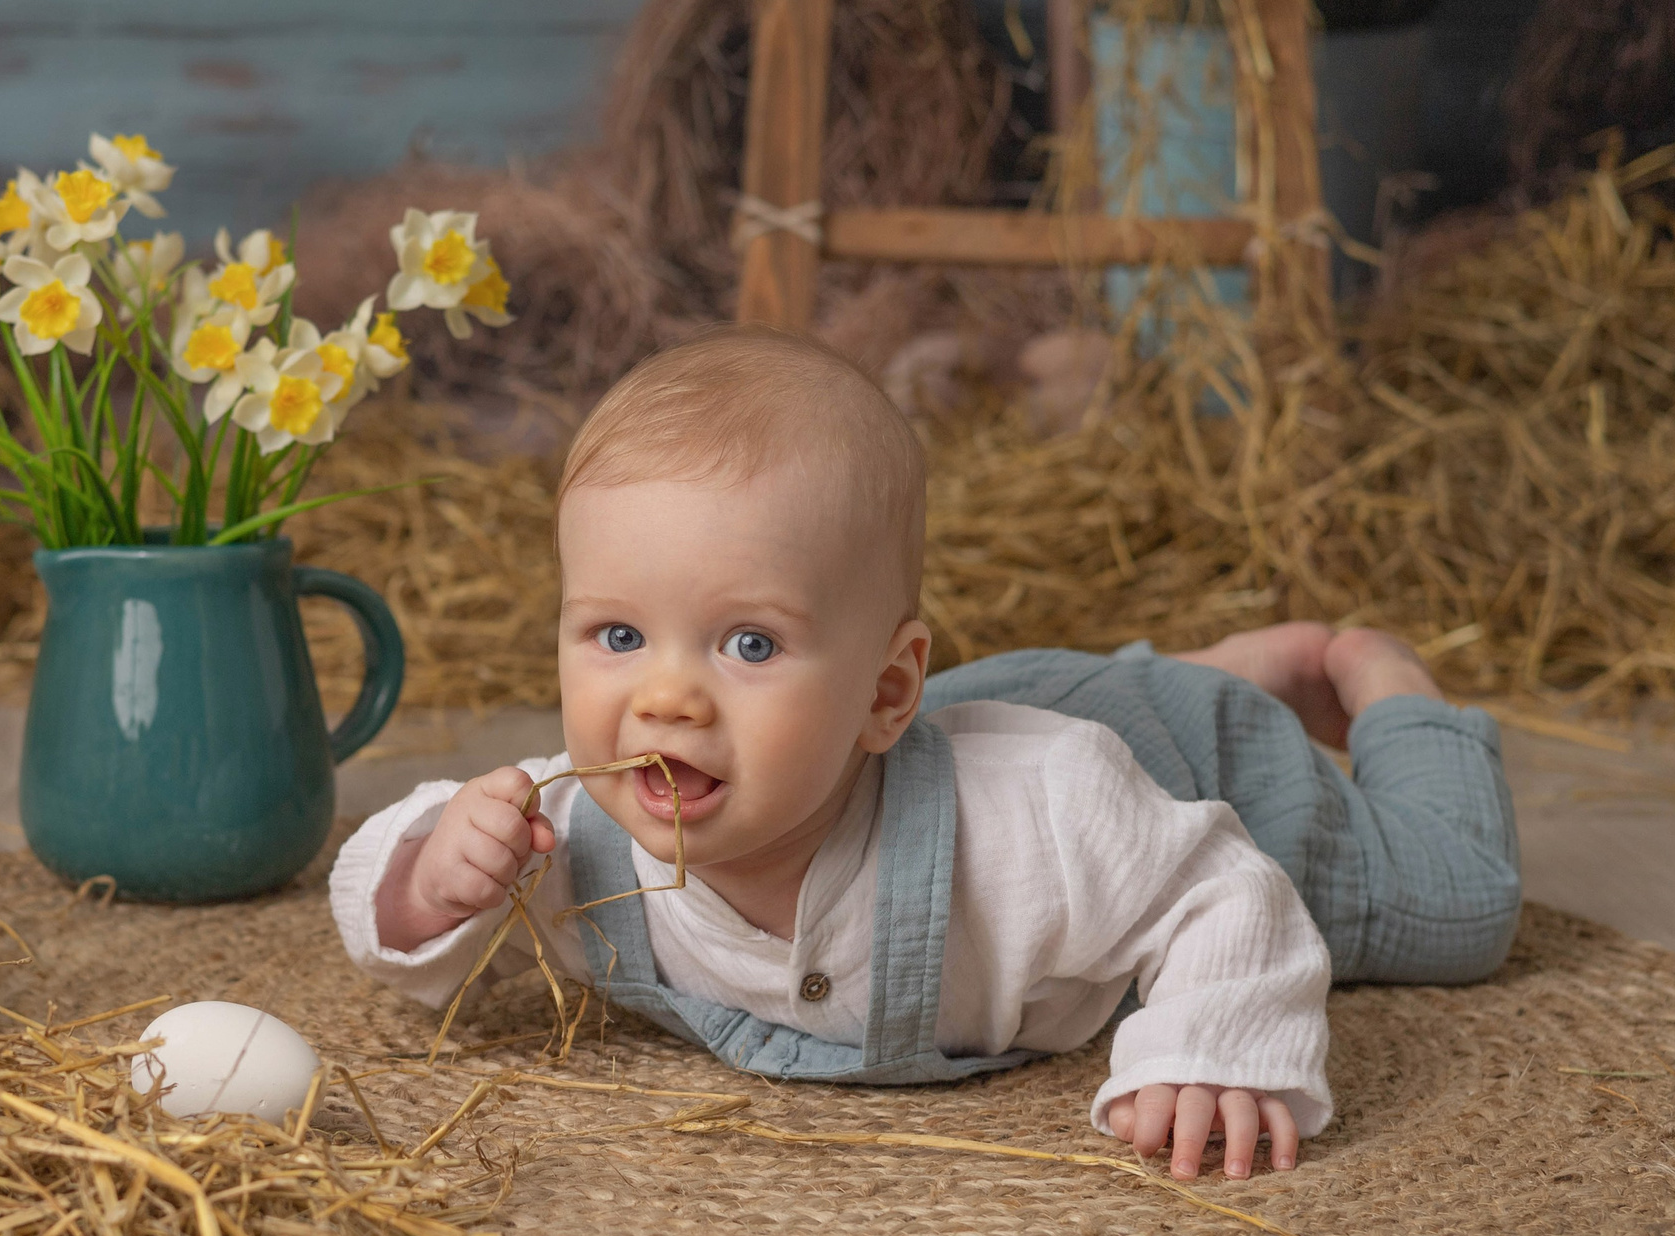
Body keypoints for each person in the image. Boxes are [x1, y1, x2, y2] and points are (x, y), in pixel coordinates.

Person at [329, 329, 1520, 1181]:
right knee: (1015, 711)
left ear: (881, 688)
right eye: (618, 634)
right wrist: (431, 874)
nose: (665, 694)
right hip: (962, 718)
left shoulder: (1047, 813)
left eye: (748, 642)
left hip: (1163, 755)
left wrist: (1212, 1044)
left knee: (1458, 909)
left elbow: (1216, 885)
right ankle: (1217, 659)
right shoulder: (567, 830)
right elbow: (396, 894)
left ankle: (1366, 677)